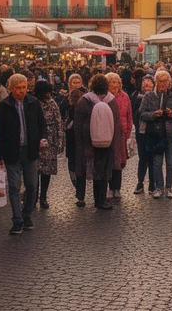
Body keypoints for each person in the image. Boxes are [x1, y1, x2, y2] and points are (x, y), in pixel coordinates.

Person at [0, 74, 44, 234]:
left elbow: (41, 124)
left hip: (30, 150)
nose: (21, 91)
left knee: (31, 185)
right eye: (18, 88)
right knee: (14, 186)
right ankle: (17, 219)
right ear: (11, 89)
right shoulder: (4, 106)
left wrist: (42, 138)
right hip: (12, 151)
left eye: (24, 87)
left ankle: (27, 213)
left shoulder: (33, 103)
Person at [74, 75, 119, 209]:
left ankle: (97, 199)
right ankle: (101, 199)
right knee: (103, 170)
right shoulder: (111, 101)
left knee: (94, 170)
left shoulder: (84, 100)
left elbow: (77, 124)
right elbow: (116, 123)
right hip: (107, 141)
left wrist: (80, 142)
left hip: (89, 141)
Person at [139, 70, 172, 199]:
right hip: (155, 132)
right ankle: (158, 187)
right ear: (156, 82)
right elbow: (141, 113)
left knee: (170, 162)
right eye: (160, 81)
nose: (163, 84)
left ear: (169, 81)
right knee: (157, 162)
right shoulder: (149, 96)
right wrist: (153, 114)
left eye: (165, 81)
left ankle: (168, 187)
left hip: (170, 131)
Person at [34, 79, 64, 210]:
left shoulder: (52, 104)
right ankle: (33, 197)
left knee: (46, 172)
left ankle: (43, 197)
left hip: (49, 142)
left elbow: (58, 122)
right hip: (35, 141)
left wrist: (60, 142)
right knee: (34, 171)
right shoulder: (33, 103)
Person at [107, 73, 133, 203]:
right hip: (107, 133)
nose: (115, 85)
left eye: (117, 82)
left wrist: (128, 131)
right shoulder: (105, 97)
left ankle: (117, 188)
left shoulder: (125, 96)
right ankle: (110, 188)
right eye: (112, 82)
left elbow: (129, 115)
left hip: (121, 133)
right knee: (109, 161)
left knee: (119, 161)